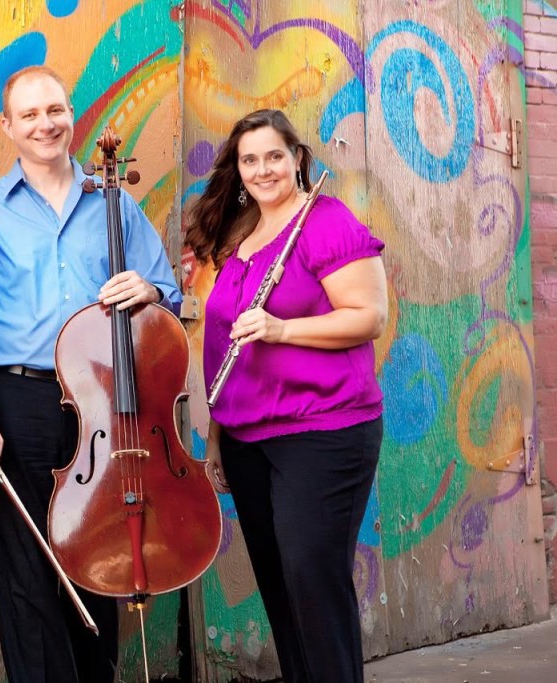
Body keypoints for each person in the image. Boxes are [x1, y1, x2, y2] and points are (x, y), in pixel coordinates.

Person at [0, 65, 183, 683]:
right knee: (27, 572)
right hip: (20, 396)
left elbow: (169, 294)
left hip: (105, 397)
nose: (45, 124)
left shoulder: (115, 200)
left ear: (71, 114)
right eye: (29, 115)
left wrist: (148, 289)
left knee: (100, 551)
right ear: (7, 128)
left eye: (55, 110)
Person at [186, 108, 388, 683]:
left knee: (311, 577)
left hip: (323, 429)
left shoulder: (326, 220)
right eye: (249, 159)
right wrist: (218, 439)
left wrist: (280, 328)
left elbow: (368, 316)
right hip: (248, 437)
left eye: (274, 155)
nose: (262, 169)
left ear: (297, 159)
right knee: (278, 584)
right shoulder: (240, 234)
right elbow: (228, 346)